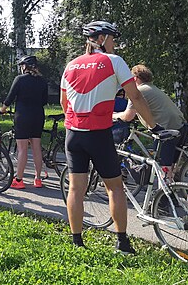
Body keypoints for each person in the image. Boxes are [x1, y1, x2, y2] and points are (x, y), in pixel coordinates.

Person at [60, 20, 160, 255]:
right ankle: (122, 243)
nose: (115, 43)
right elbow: (135, 96)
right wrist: (154, 127)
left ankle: (77, 242)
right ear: (102, 39)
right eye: (113, 38)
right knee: (115, 187)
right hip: (98, 134)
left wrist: (76, 122)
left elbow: (64, 103)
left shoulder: (71, 64)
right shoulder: (114, 61)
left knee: (75, 188)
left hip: (73, 134)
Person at [113, 65, 188, 180]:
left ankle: (164, 196)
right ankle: (172, 189)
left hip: (166, 128)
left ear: (135, 78)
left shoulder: (139, 91)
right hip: (179, 125)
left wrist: (113, 115)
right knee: (170, 164)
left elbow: (128, 116)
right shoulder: (152, 88)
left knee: (164, 166)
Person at [0, 55, 48, 189]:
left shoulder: (19, 79)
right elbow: (45, 100)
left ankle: (19, 179)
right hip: (38, 115)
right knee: (36, 147)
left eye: (22, 65)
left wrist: (2, 109)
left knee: (22, 148)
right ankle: (38, 179)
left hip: (23, 116)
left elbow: (9, 98)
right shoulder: (42, 81)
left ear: (25, 66)